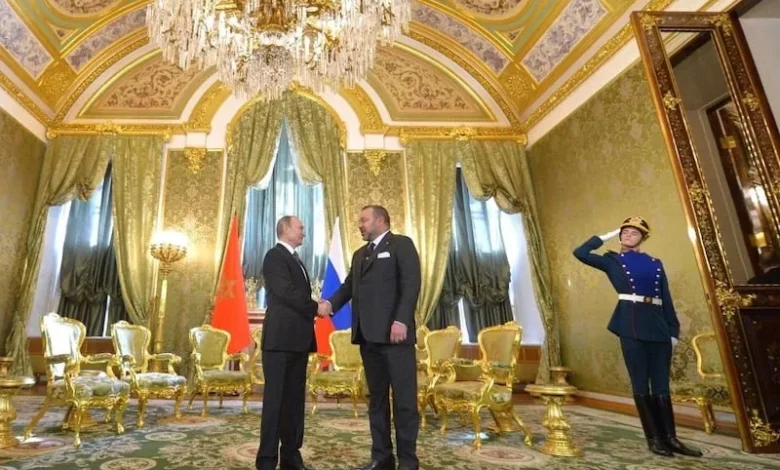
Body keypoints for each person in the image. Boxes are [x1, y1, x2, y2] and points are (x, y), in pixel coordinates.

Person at [573, 216, 702, 458]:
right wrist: (607, 235)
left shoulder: (655, 263)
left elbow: (665, 298)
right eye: (625, 231)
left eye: (634, 232)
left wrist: (672, 330)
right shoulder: (612, 261)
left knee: (661, 385)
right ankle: (654, 439)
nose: (628, 234)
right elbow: (580, 252)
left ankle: (671, 438)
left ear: (644, 238)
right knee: (640, 383)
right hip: (631, 325)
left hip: (658, 327)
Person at [320, 205, 422, 470]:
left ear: (380, 220)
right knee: (377, 400)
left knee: (404, 401)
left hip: (396, 337)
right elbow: (348, 287)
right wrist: (329, 304)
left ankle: (408, 461)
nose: (360, 224)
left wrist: (401, 320)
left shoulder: (401, 245)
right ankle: (382, 457)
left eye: (364, 220)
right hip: (368, 338)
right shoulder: (359, 255)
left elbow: (411, 284)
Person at [256, 216, 328, 470]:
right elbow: (286, 292)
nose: (304, 232)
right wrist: (316, 307)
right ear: (285, 229)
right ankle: (266, 461)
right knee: (275, 403)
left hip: (298, 342)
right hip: (279, 342)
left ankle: (290, 457)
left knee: (294, 403)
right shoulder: (274, 256)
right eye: (300, 228)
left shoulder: (296, 259)